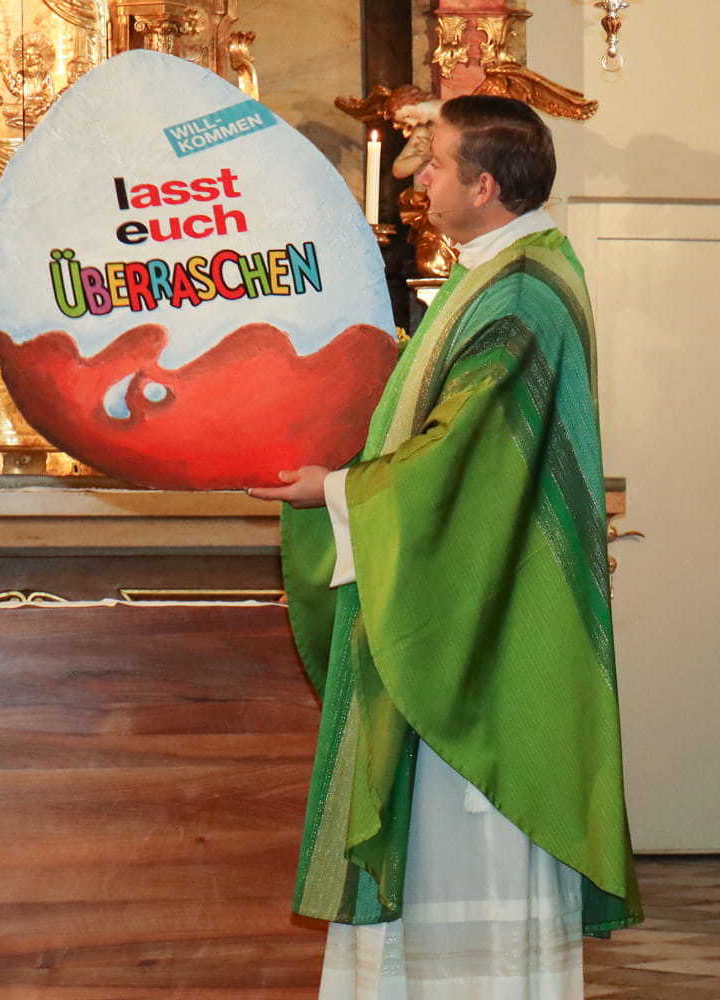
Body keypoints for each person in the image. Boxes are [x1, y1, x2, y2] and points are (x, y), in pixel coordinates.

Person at [251, 94, 642, 998]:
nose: (419, 179)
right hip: (470, 602)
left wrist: (332, 491)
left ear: (486, 184)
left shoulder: (522, 294)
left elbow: (461, 459)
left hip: (487, 630)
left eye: (436, 163)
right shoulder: (493, 273)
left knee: (465, 846)